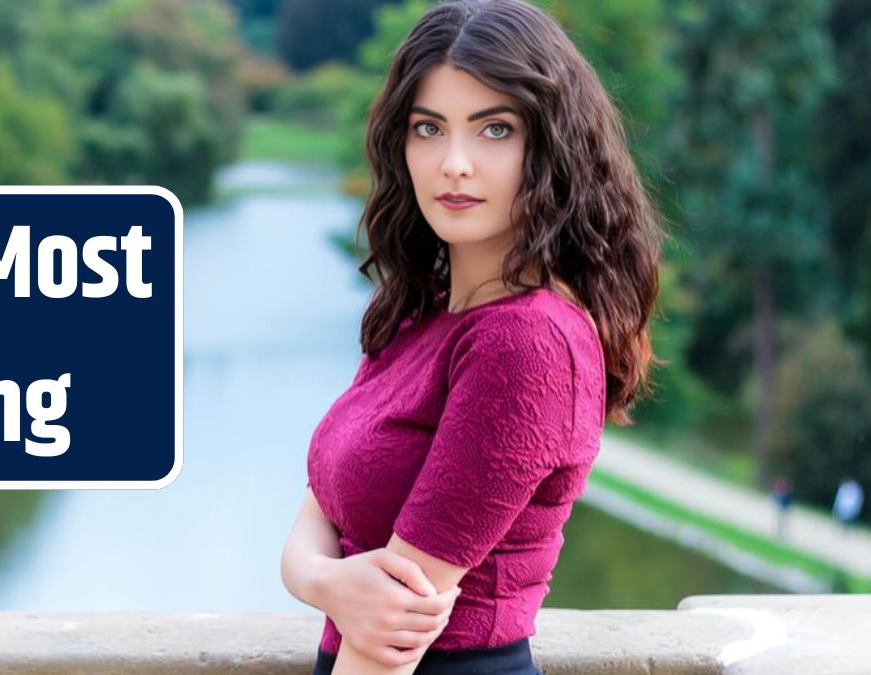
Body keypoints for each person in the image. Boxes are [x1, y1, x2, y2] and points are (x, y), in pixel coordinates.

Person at [279, 1, 663, 673]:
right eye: (430, 128)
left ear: (549, 147)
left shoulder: (527, 345)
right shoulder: (415, 315)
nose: (454, 163)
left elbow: (393, 632)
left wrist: (327, 581)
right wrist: (322, 581)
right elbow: (314, 515)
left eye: (494, 130)